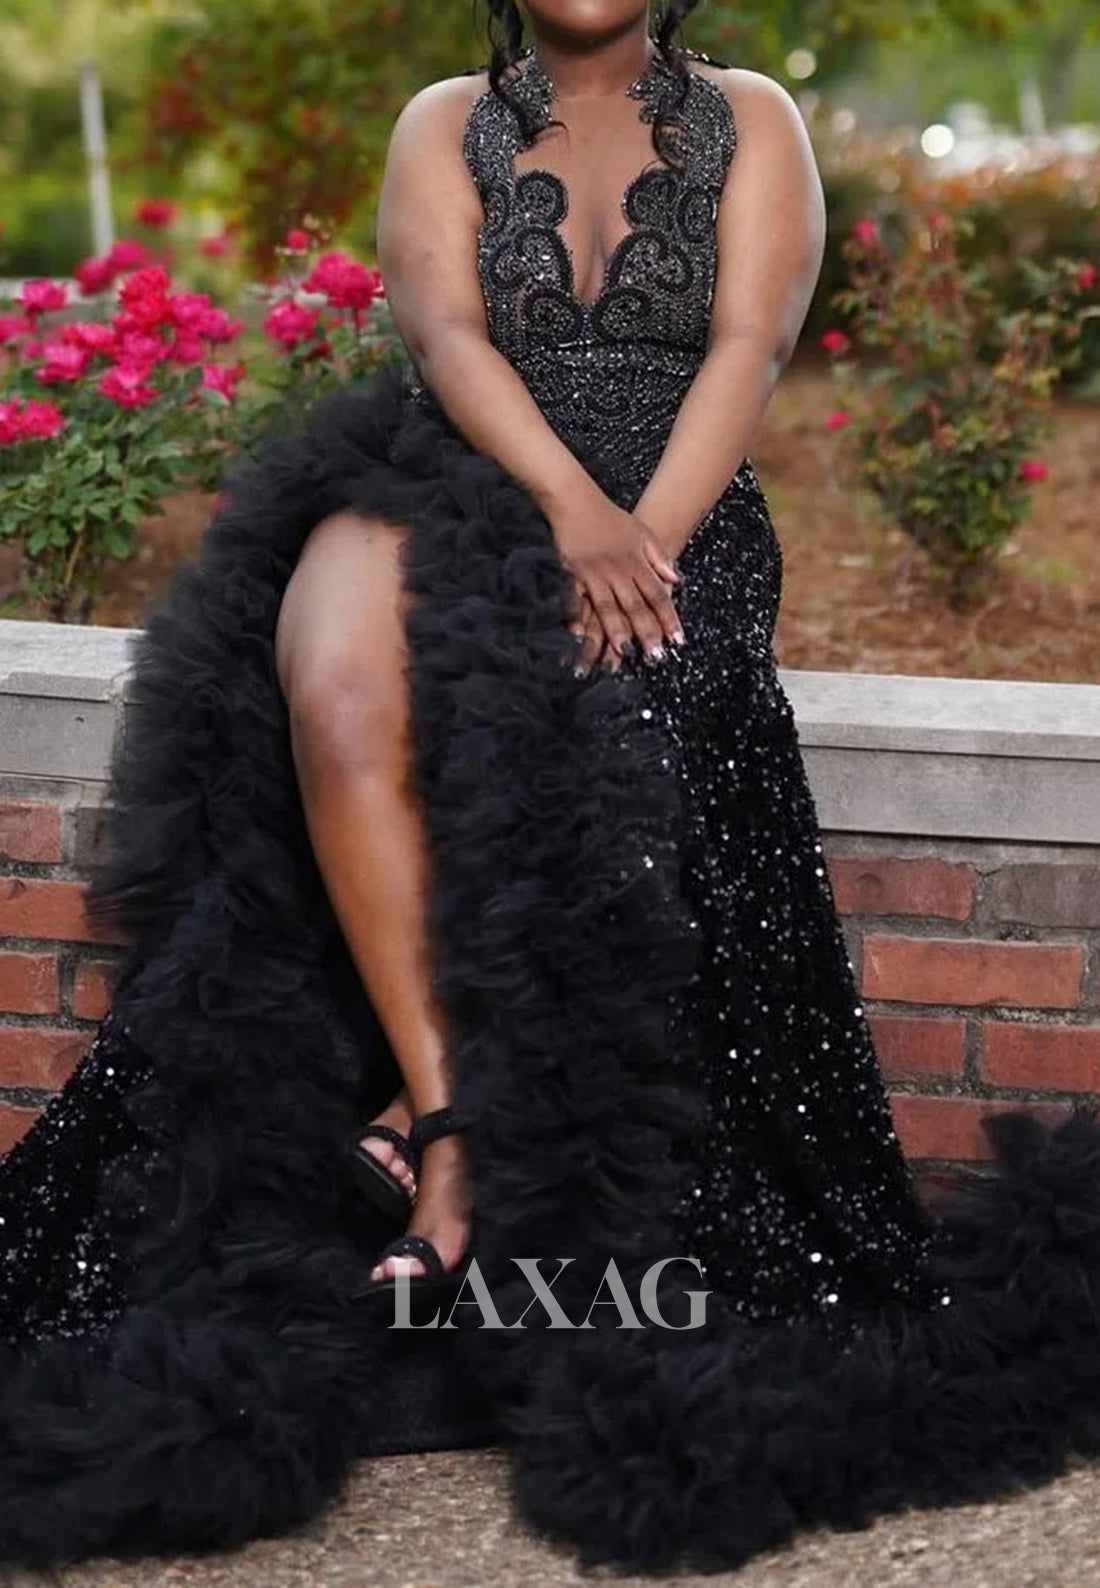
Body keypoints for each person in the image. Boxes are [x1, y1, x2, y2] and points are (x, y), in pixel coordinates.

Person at [2, 0, 1100, 1576]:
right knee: (331, 690)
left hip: (676, 510)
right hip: (461, 471)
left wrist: (633, 542)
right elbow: (450, 339)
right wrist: (564, 509)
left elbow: (749, 348)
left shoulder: (753, 118)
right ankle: (448, 1113)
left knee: (608, 716)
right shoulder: (442, 120)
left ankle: (430, 1132)